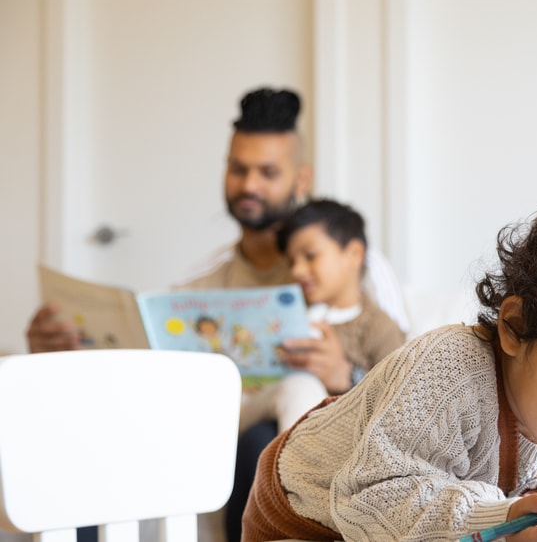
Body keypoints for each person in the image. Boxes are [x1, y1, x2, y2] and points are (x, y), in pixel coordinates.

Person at [22, 87, 410, 542]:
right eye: (237, 169)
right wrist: (64, 352)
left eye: (267, 172)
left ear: (301, 180)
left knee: (262, 438)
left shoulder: (347, 265)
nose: (249, 185)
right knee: (85, 424)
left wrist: (350, 373)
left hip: (305, 438)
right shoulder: (198, 284)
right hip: (206, 429)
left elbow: (408, 382)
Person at [240, 185, 537, 542]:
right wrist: (505, 516)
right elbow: (370, 499)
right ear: (515, 327)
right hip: (308, 515)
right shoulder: (450, 367)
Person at [236, 197, 406, 435]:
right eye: (292, 262)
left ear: (354, 254)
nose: (297, 270)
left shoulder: (378, 327)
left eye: (310, 256)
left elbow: (400, 400)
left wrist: (349, 375)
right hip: (258, 412)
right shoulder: (286, 318)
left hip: (333, 431)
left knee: (301, 387)